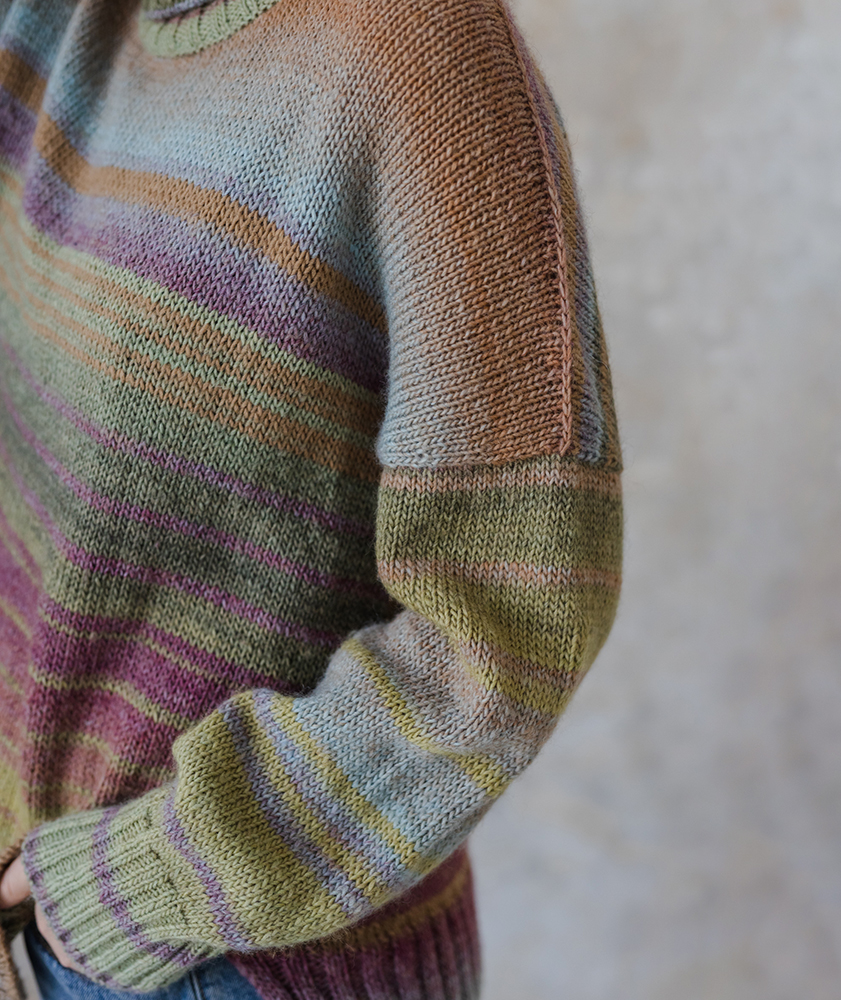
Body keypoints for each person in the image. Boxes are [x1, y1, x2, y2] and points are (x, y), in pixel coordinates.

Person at [0, 0, 622, 997]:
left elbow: (513, 623)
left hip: (218, 950)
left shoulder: (422, 56)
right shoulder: (58, 25)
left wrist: (162, 876)